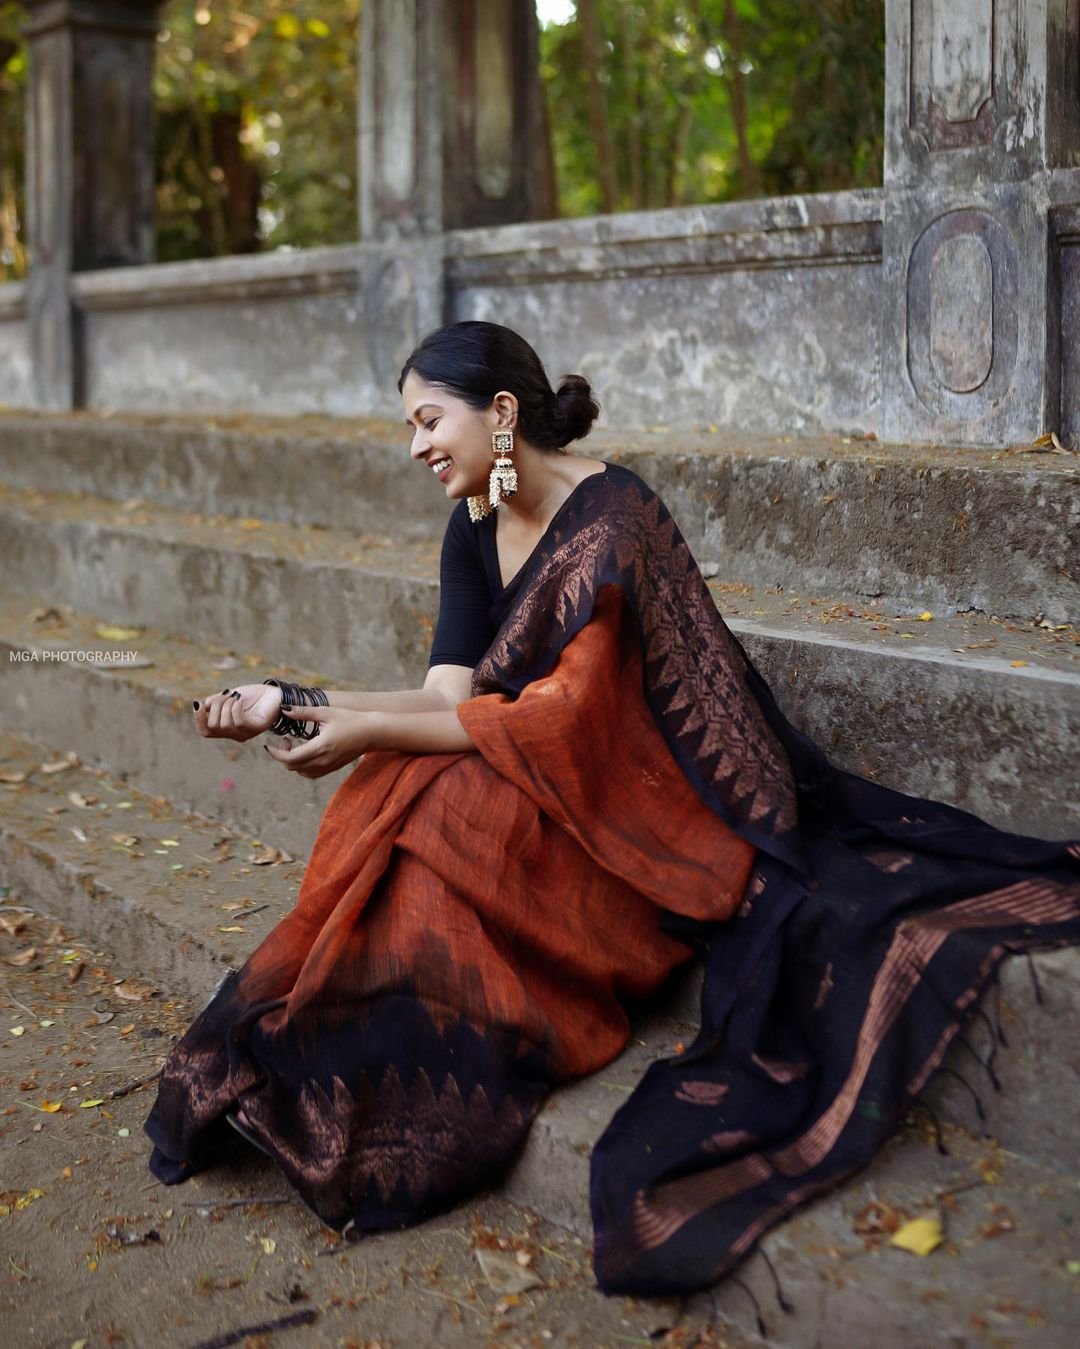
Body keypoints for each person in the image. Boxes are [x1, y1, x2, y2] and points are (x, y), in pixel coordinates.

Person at [145, 321, 1080, 1297]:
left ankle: (428, 1077)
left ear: (500, 413)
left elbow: (563, 721)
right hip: (541, 783)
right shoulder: (474, 523)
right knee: (403, 779)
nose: (416, 445)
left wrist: (353, 725)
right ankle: (343, 1050)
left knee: (435, 794)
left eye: (429, 420)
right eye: (410, 426)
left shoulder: (613, 517)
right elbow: (450, 702)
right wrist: (293, 704)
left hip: (647, 823)